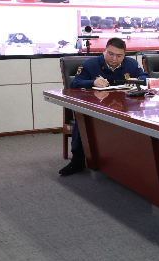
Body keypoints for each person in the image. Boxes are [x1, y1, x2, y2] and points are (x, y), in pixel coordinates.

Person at [60, 38, 148, 176]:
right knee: (82, 119)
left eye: (119, 55)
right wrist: (92, 82)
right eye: (110, 54)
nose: (114, 58)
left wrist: (138, 80)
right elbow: (75, 84)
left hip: (124, 107)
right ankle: (77, 161)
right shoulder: (89, 64)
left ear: (124, 55)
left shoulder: (131, 64)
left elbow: (145, 77)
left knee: (141, 118)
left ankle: (132, 160)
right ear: (104, 51)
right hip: (96, 106)